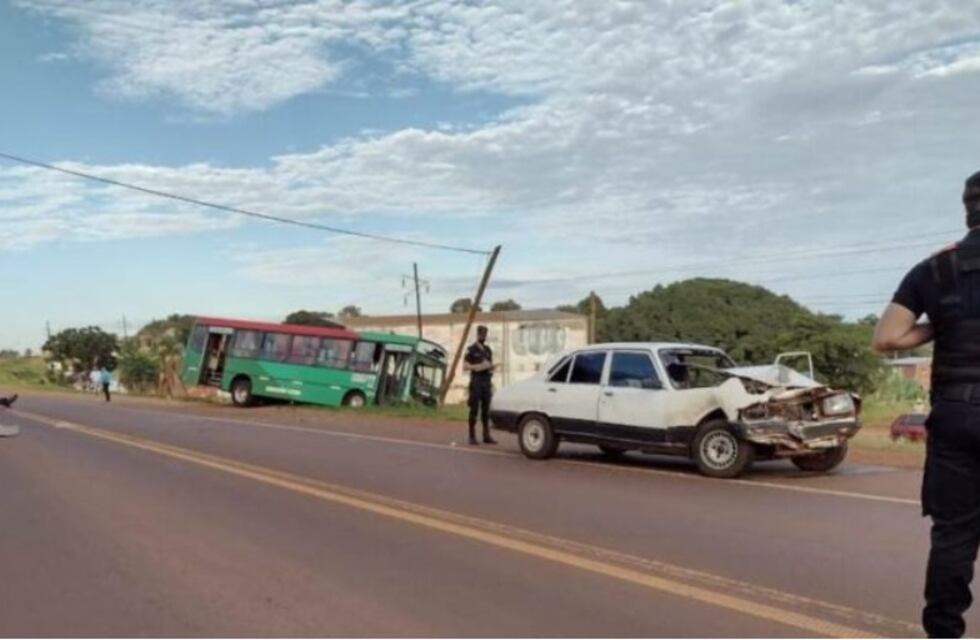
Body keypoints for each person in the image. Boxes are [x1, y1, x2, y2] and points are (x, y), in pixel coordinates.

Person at [873, 170, 980, 638]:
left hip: (956, 415)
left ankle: (943, 632)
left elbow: (888, 338)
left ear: (967, 211)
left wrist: (940, 322)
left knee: (953, 534)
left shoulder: (934, 270)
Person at [463, 325, 498, 446]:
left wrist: (491, 367)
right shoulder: (471, 349)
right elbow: (465, 366)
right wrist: (477, 367)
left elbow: (490, 364)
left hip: (486, 381)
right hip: (476, 381)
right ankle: (472, 436)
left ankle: (486, 435)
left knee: (486, 410)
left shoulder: (488, 350)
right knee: (474, 408)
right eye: (481, 334)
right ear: (477, 335)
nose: (483, 337)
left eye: (485, 335)